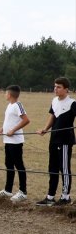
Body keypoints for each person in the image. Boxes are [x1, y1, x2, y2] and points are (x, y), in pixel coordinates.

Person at [35, 77, 76, 206]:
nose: (55, 89)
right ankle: (50, 196)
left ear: (66, 89)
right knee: (52, 168)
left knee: (64, 168)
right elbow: (52, 116)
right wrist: (45, 129)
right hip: (53, 139)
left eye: (58, 87)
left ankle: (65, 197)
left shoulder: (72, 103)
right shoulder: (54, 101)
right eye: (54, 86)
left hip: (65, 141)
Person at [0, 85, 30, 202]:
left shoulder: (17, 105)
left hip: (16, 142)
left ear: (9, 94)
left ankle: (23, 192)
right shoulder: (9, 106)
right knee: (8, 165)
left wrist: (13, 130)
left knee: (19, 166)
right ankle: (8, 190)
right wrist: (1, 130)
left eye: (5, 93)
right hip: (8, 141)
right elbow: (8, 122)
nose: (5, 95)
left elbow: (26, 120)